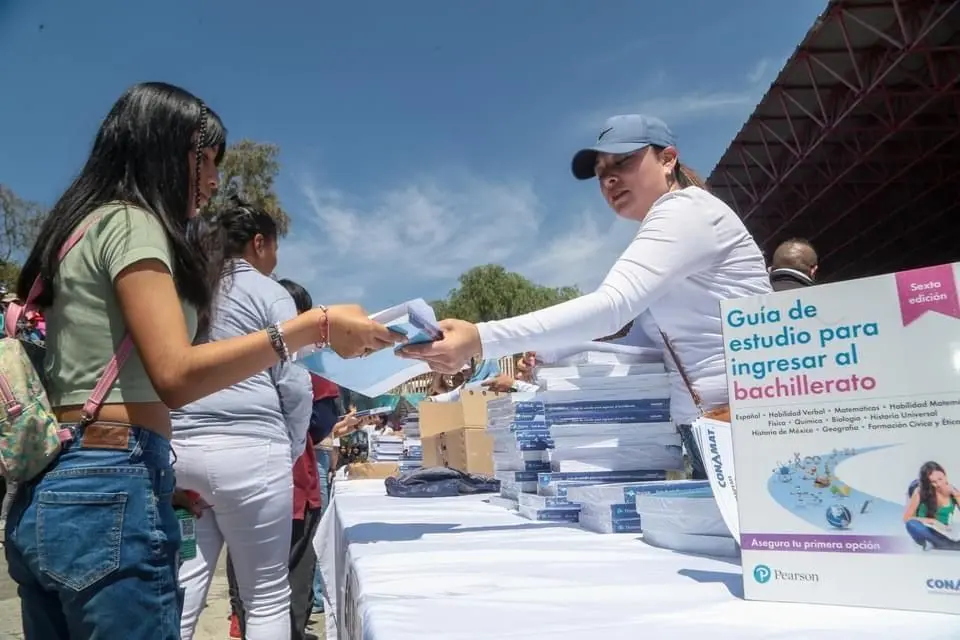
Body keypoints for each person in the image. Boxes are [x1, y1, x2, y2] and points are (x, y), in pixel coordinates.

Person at [4, 82, 401, 640]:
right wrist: (313, 328)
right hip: (111, 484)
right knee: (264, 597)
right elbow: (174, 374)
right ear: (163, 150)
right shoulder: (132, 223)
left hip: (51, 485)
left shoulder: (72, 231)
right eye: (205, 160)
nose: (214, 179)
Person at [401, 114, 771, 479]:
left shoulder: (685, 211)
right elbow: (646, 347)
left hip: (744, 423)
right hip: (714, 425)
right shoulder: (675, 223)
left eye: (623, 161)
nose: (609, 178)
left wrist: (480, 339)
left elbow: (610, 306)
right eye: (600, 173)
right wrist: (557, 355)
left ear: (668, 158)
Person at [904, 461, 960, 551]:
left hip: (945, 531)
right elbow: (907, 518)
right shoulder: (919, 492)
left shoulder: (953, 492)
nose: (938, 484)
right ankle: (946, 544)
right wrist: (932, 521)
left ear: (945, 476)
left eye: (940, 479)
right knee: (911, 525)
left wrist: (956, 494)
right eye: (933, 482)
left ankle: (944, 543)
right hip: (926, 530)